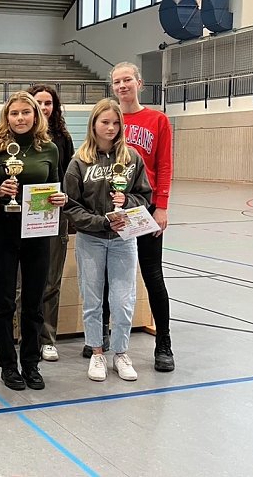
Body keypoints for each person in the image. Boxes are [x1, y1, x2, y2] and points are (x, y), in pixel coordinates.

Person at [63, 98, 152, 382]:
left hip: (124, 240)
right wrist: (101, 221)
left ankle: (121, 353)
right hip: (91, 239)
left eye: (116, 123)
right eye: (105, 122)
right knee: (92, 299)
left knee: (123, 299)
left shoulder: (132, 159)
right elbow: (71, 206)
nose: (111, 127)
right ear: (94, 125)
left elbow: (145, 196)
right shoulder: (79, 162)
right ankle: (97, 352)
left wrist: (127, 201)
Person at [0, 91, 67, 391]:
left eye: (25, 112)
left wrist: (60, 198)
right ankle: (8, 366)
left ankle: (31, 363)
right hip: (6, 230)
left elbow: (56, 186)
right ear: (6, 117)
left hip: (38, 231)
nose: (20, 118)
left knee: (33, 303)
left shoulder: (49, 149)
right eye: (14, 113)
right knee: (5, 301)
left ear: (36, 115)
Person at [110, 61, 176, 372]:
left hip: (145, 208)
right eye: (117, 82)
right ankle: (103, 337)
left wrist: (161, 206)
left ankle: (164, 341)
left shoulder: (157, 120)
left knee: (152, 275)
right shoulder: (108, 120)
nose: (122, 86)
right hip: (114, 209)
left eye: (127, 80)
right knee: (110, 277)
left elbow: (164, 165)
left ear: (140, 82)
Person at [26, 84, 75, 363]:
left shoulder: (63, 139)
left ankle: (47, 338)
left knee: (51, 280)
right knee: (24, 281)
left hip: (54, 216)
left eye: (48, 103)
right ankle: (24, 335)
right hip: (25, 217)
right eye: (39, 103)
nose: (44, 108)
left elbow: (69, 178)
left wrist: (65, 201)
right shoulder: (15, 135)